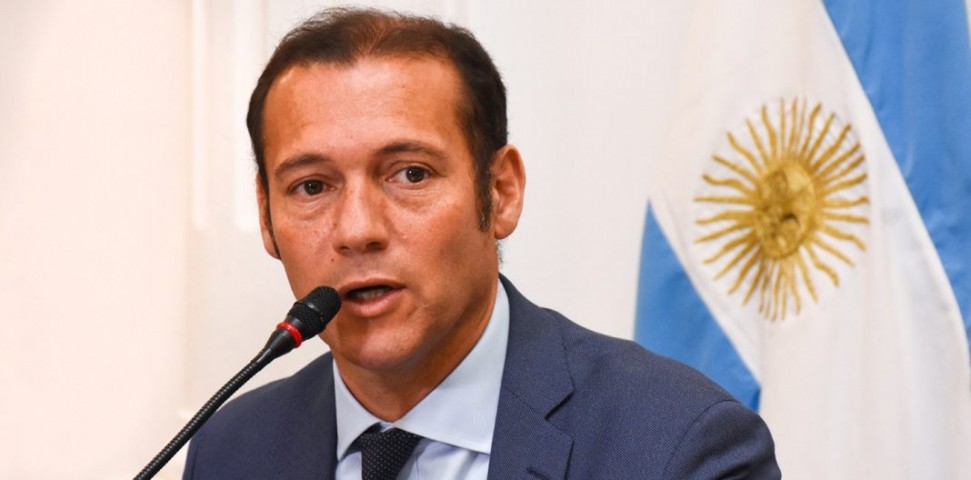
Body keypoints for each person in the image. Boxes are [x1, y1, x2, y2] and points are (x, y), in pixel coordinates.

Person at [183, 7, 780, 479]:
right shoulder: (231, 450)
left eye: (410, 174)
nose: (357, 229)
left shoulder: (677, 446)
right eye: (312, 186)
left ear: (501, 192)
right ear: (267, 217)